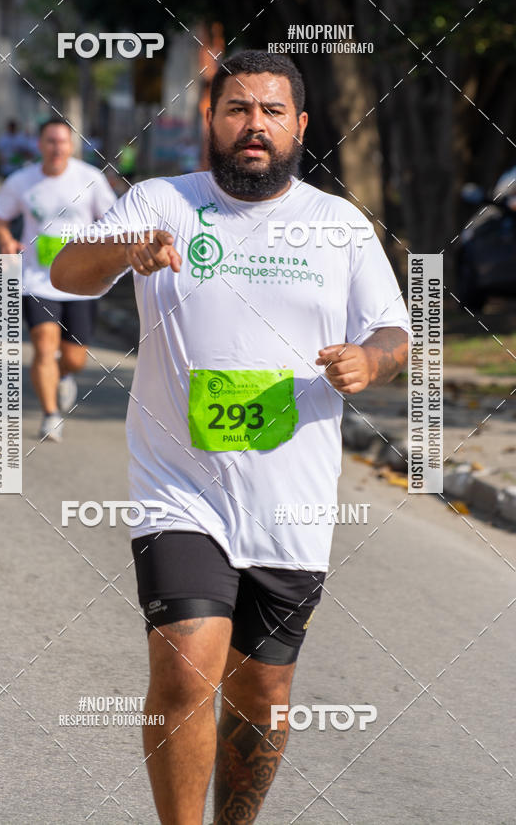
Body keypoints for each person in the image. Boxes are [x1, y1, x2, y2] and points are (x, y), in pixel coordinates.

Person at [51, 50, 410, 823]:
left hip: (292, 500)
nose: (254, 126)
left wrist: (368, 360)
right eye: (237, 109)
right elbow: (67, 271)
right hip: (179, 488)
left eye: (272, 112)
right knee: (186, 668)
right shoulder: (162, 203)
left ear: (301, 126)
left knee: (264, 689)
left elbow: (394, 331)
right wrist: (126, 250)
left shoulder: (337, 224)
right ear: (211, 120)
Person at [0, 118, 115, 442]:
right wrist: (5, 239)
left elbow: (113, 220)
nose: (56, 148)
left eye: (62, 141)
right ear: (39, 145)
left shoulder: (90, 179)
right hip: (37, 279)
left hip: (81, 282)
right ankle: (51, 415)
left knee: (75, 358)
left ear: (70, 145)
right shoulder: (22, 181)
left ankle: (62, 377)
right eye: (50, 141)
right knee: (45, 348)